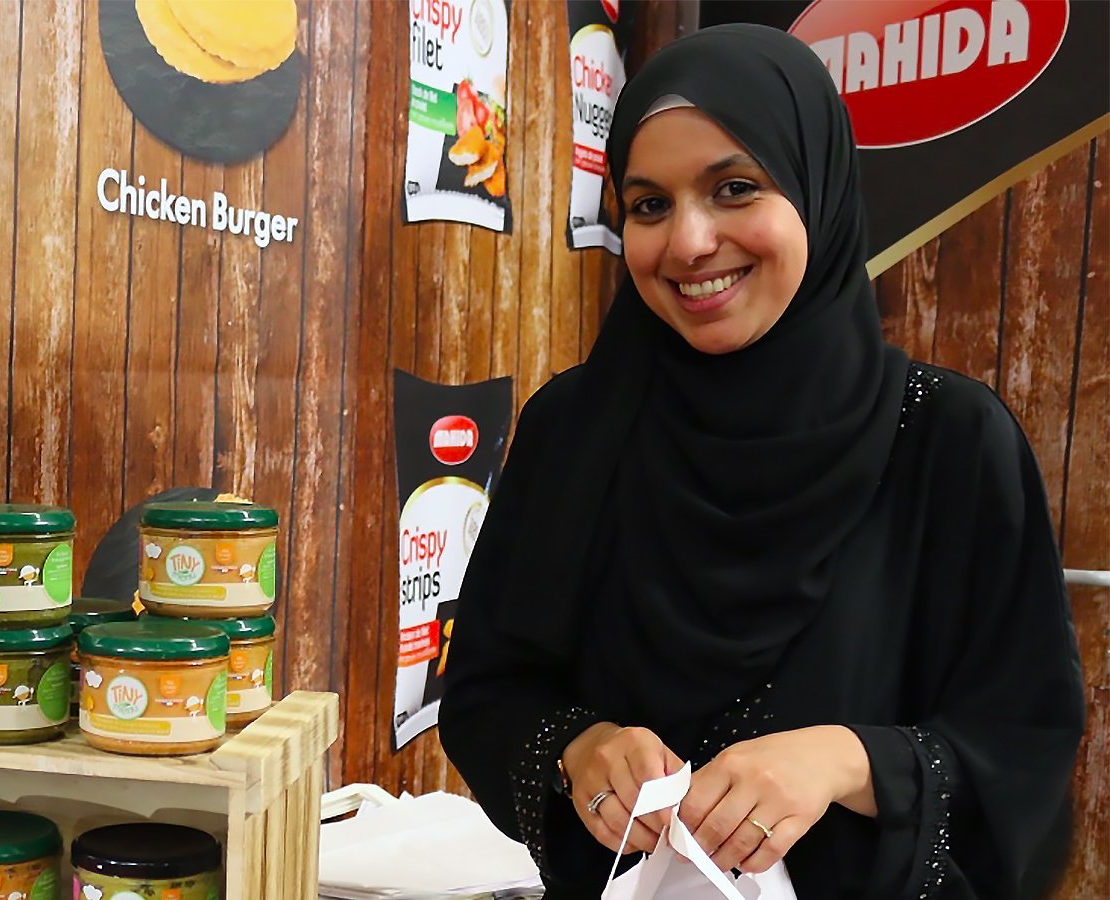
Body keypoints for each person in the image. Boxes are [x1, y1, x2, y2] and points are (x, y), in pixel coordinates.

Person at [437, 24, 1085, 900]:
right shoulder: (575, 430)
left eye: (735, 188)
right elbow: (487, 693)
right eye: (649, 205)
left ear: (816, 192)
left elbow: (1024, 738)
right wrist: (576, 747)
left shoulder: (948, 441)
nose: (691, 243)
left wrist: (847, 761)